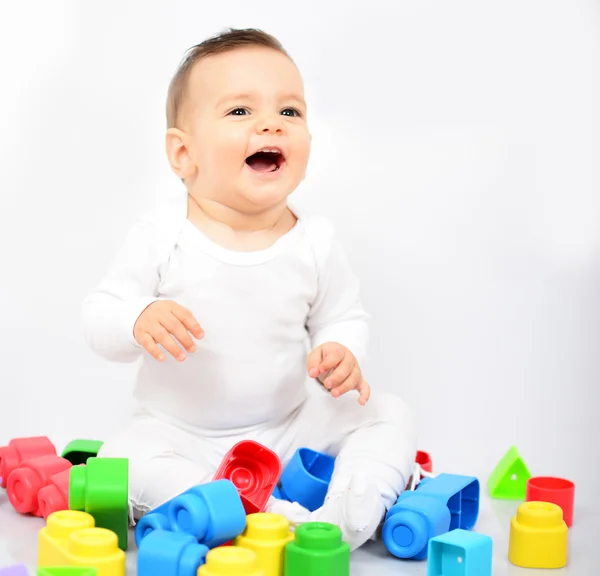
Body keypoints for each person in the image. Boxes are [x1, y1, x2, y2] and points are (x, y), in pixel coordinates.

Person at [81, 27, 417, 551]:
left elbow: (343, 316)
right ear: (183, 154)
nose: (270, 124)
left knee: (387, 410)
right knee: (123, 458)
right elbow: (100, 315)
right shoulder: (162, 235)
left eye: (290, 112)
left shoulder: (314, 241)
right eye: (240, 112)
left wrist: (342, 350)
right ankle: (265, 516)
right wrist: (137, 318)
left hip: (288, 427)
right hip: (182, 435)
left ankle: (349, 511)